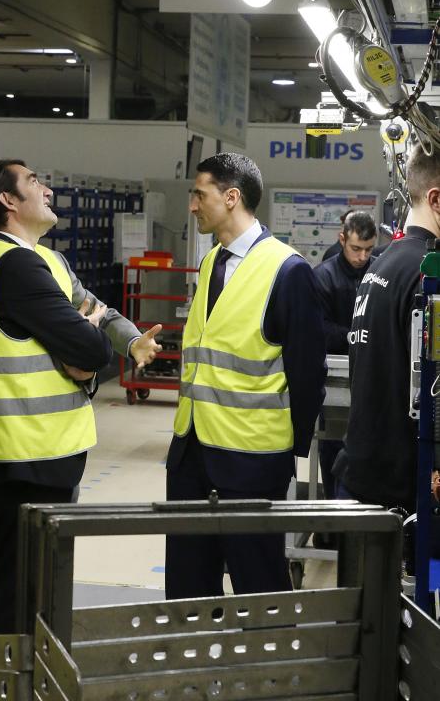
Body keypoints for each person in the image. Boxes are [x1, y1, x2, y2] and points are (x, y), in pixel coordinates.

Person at [0, 159, 162, 701]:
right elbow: (87, 349)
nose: (47, 187)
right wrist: (84, 353)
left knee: (6, 579)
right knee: (8, 586)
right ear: (8, 202)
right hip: (23, 453)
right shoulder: (14, 267)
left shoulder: (33, 263)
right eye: (33, 181)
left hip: (18, 450)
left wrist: (123, 341)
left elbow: (95, 316)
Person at [164, 153, 326, 599]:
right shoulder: (210, 262)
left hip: (251, 461)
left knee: (258, 585)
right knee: (186, 586)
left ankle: (266, 669)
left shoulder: (288, 271)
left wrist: (286, 452)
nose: (193, 205)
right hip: (191, 454)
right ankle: (197, 667)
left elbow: (308, 374)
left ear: (231, 197)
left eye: (199, 194)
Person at [333, 144, 440, 513]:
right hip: (404, 482)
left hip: (364, 467)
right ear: (436, 199)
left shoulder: (384, 263)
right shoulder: (429, 270)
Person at [313, 211, 376, 518]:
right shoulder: (323, 277)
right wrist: (357, 337)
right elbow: (319, 330)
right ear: (342, 239)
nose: (362, 257)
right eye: (356, 249)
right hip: (334, 382)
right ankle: (331, 527)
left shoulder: (380, 274)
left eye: (368, 249)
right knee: (331, 449)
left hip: (371, 382)